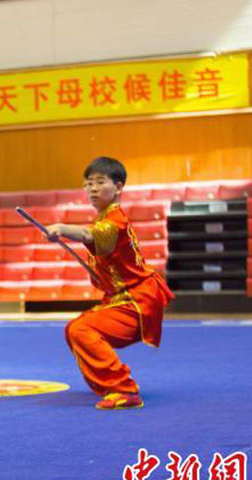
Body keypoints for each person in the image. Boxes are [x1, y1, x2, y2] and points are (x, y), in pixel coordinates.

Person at [45, 156, 173, 410]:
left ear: (118, 187)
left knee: (81, 330)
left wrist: (61, 227)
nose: (92, 189)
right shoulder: (105, 220)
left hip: (137, 300)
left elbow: (87, 234)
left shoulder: (115, 222)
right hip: (122, 298)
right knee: (74, 330)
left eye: (100, 182)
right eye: (88, 183)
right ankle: (109, 386)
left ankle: (124, 389)